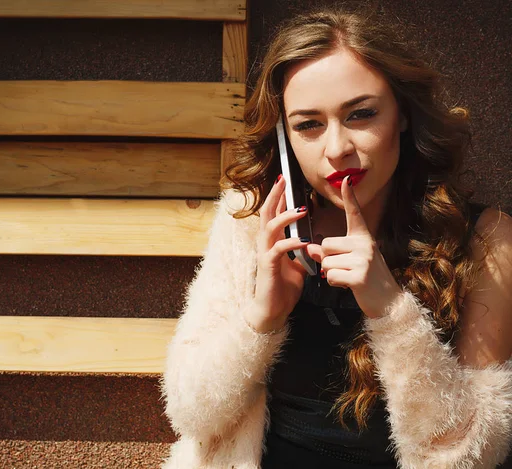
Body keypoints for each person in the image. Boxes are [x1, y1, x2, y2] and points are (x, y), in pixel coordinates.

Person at [159, 6, 512, 469]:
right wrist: (260, 318)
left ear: (402, 115)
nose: (337, 149)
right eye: (308, 125)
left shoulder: (488, 241)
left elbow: (474, 455)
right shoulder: (254, 223)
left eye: (361, 115)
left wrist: (390, 309)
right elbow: (191, 414)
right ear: (285, 138)